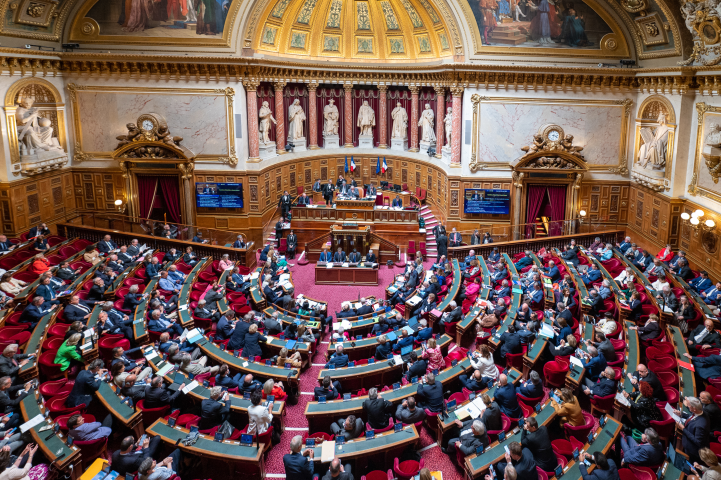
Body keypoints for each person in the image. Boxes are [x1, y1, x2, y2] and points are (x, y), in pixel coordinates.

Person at [673, 396, 711, 464]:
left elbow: (697, 441)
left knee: (691, 463)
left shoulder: (701, 425)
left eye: (689, 406)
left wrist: (683, 428)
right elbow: (692, 417)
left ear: (694, 408)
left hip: (692, 450)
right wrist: (681, 414)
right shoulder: (699, 412)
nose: (688, 407)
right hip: (687, 443)